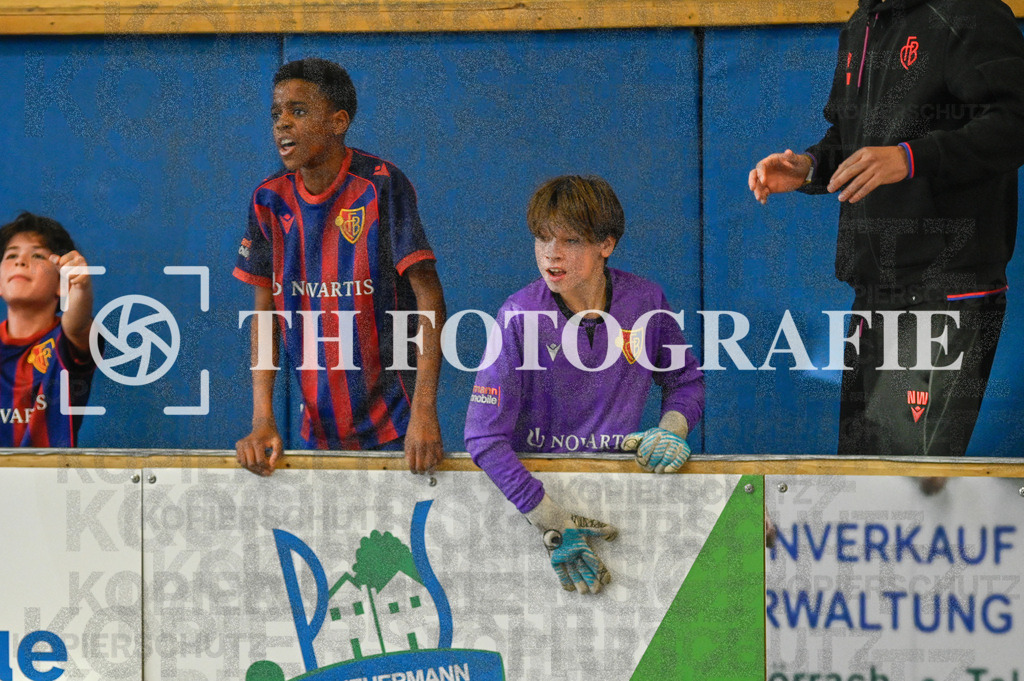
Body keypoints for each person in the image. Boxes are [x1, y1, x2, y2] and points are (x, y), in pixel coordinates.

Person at [748, 0, 1024, 457]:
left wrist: (911, 158)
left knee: (908, 489)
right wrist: (811, 166)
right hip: (874, 292)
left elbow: (1016, 122)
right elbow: (853, 142)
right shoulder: (863, 22)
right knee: (861, 480)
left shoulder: (967, 12)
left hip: (946, 290)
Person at [465, 175, 704, 594]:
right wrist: (553, 523)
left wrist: (672, 430)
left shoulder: (645, 301)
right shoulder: (518, 315)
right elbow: (483, 437)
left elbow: (686, 383)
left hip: (619, 496)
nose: (551, 256)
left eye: (570, 241)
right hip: (537, 506)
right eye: (542, 239)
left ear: (605, 245)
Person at [233, 58, 446, 476]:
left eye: (298, 111)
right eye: (276, 114)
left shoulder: (381, 184)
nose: (282, 124)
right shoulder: (268, 199)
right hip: (316, 432)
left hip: (397, 429)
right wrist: (262, 418)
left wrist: (424, 411)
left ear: (338, 121)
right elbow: (265, 313)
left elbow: (429, 297)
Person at [0, 212, 98, 447]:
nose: (20, 261)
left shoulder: (68, 339)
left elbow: (78, 323)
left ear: (62, 284)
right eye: (12, 254)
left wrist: (81, 287)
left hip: (50, 480)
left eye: (37, 255)